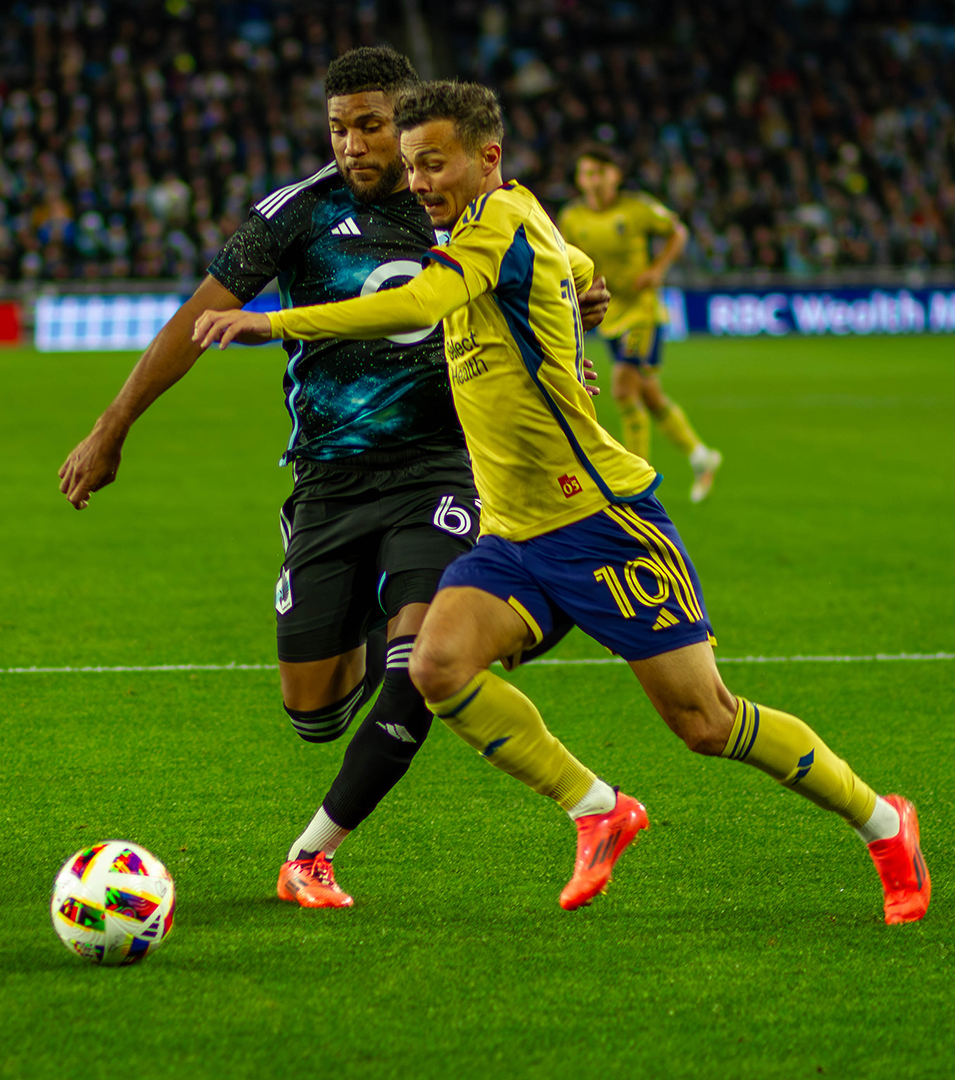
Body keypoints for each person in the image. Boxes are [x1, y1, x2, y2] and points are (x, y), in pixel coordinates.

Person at [194, 81, 931, 924]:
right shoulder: (507, 223)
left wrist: (277, 323)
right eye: (411, 167)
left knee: (705, 720)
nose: (420, 182)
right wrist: (580, 290)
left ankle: (882, 822)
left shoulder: (497, 224)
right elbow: (577, 264)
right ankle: (597, 809)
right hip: (513, 534)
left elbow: (423, 300)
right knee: (436, 668)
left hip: (600, 522)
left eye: (433, 164)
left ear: (487, 157)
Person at [59, 48, 608, 911]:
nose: (353, 144)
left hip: (444, 470)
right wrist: (111, 426)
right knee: (312, 712)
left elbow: (553, 272)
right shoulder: (296, 215)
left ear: (411, 120)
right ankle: (367, 615)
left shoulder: (465, 207)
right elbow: (192, 321)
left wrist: (578, 316)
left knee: (422, 658)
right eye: (338, 127)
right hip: (328, 482)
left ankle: (313, 855)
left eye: (371, 125)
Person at [558, 145, 722, 503]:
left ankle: (636, 482)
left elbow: (678, 232)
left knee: (622, 389)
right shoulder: (572, 218)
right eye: (586, 174)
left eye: (600, 173)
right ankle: (700, 456)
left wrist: (657, 270)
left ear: (614, 176)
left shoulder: (636, 208)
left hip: (642, 313)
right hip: (610, 315)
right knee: (648, 393)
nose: (593, 181)